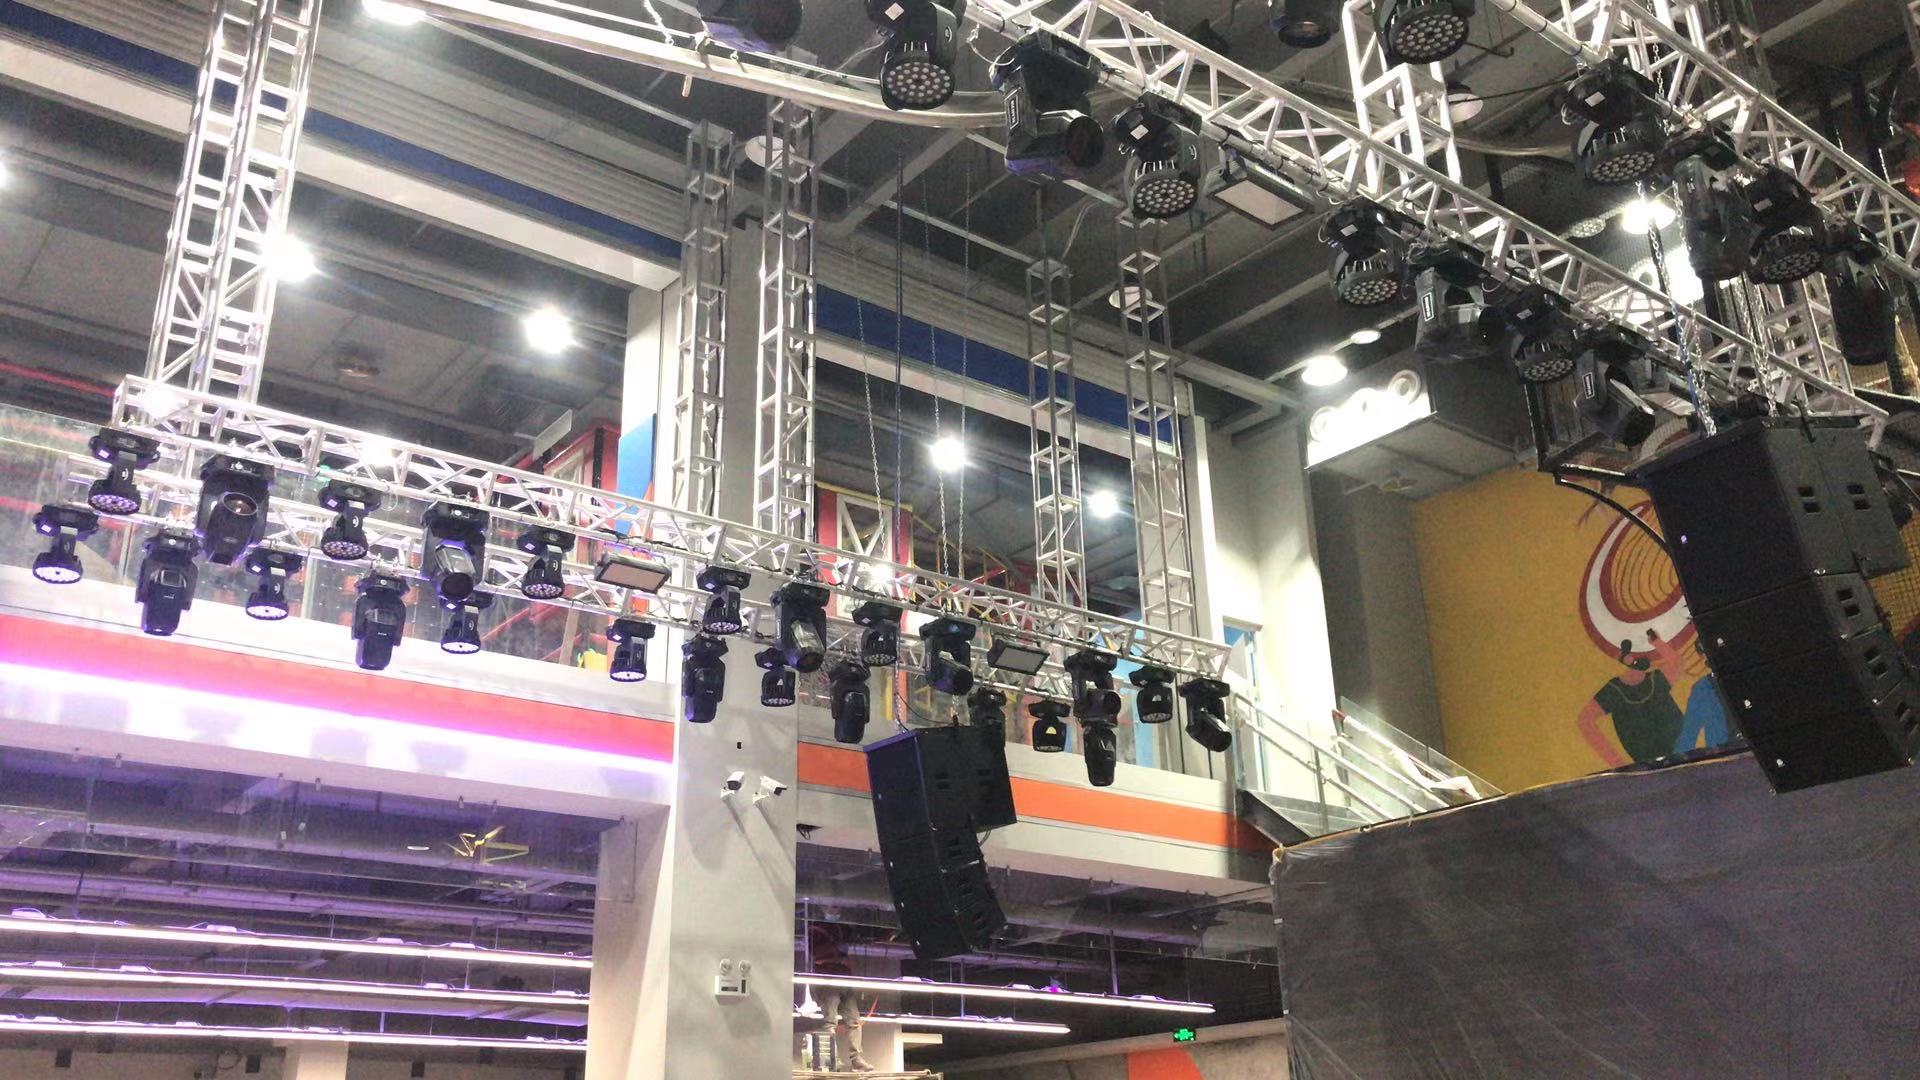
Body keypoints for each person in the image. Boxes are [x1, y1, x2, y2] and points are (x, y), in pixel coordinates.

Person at [1576, 629, 1687, 766]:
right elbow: (1584, 720)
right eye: (1633, 652)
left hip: (1679, 759)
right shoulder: (1614, 691)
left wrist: (1657, 643)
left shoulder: (1656, 679)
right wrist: (1617, 763)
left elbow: (1677, 662)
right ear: (1622, 656)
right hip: (1648, 767)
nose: (1639, 657)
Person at [807, 922, 873, 1073]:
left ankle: (856, 1059)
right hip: (827, 977)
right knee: (830, 1021)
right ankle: (830, 1059)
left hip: (844, 976)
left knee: (854, 1021)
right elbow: (814, 950)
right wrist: (836, 947)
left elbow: (851, 940)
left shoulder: (841, 928)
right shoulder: (816, 927)